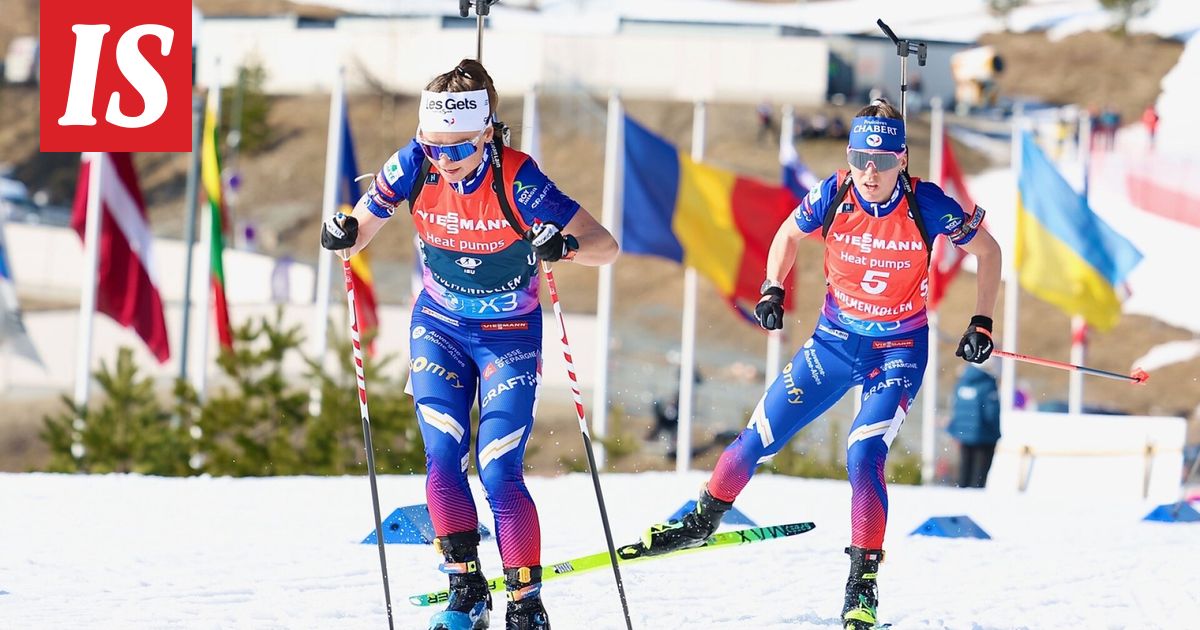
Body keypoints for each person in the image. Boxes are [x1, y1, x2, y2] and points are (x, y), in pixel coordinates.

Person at [639, 100, 1002, 630]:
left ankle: (863, 584)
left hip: (897, 351)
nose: (869, 171)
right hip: (833, 343)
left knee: (863, 455)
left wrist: (982, 322)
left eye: (880, 158)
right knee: (757, 435)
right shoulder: (834, 193)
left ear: (902, 159)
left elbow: (988, 252)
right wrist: (771, 286)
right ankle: (703, 518)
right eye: (859, 157)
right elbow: (787, 235)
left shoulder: (926, 203)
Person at [320, 58, 618, 630]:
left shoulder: (519, 179)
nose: (445, 161)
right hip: (439, 328)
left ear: (487, 134)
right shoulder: (413, 164)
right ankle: (466, 588)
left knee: (500, 469)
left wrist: (565, 248)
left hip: (507, 337)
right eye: (433, 148)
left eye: (458, 149)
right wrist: (344, 232)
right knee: (442, 457)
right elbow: (359, 231)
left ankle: (526, 605)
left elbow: (605, 246)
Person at [946, 364, 1001, 488]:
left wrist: (954, 430)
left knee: (964, 473)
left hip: (963, 436)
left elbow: (955, 407)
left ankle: (961, 502)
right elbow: (991, 412)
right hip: (984, 436)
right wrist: (995, 433)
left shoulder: (961, 383)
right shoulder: (988, 384)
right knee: (978, 479)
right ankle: (974, 504)